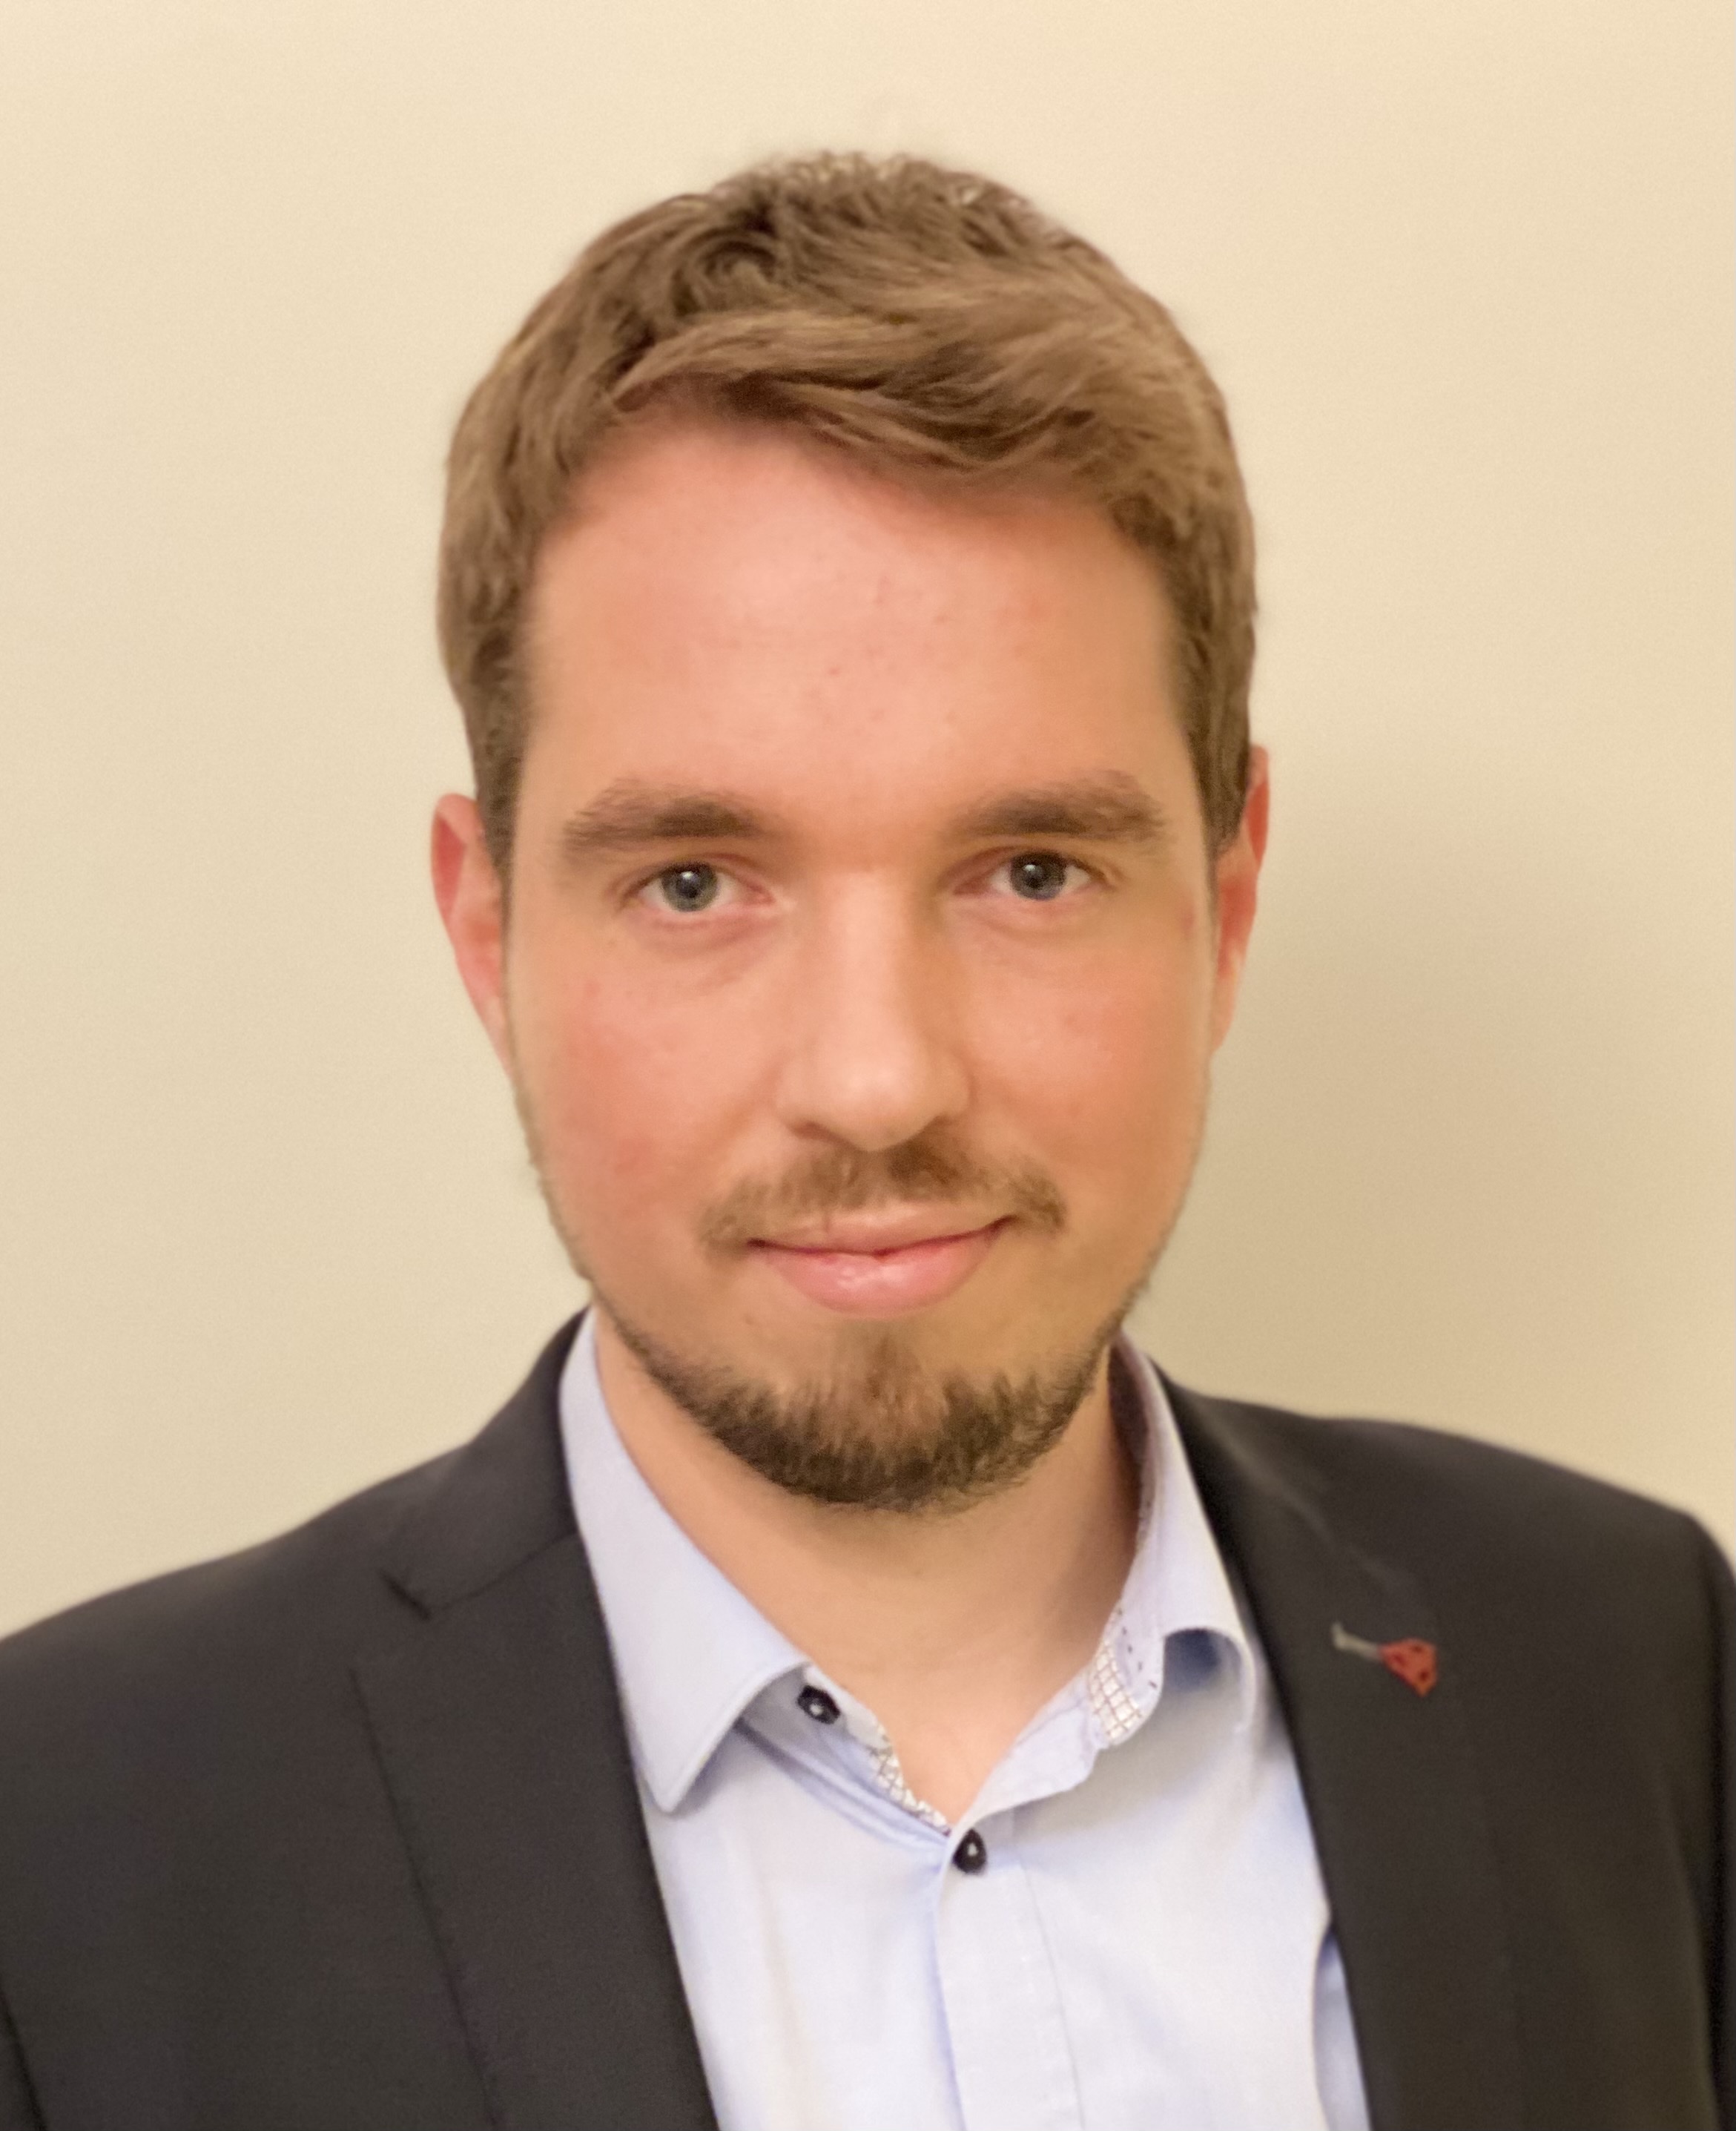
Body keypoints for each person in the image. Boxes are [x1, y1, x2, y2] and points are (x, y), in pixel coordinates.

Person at [0, 153, 1726, 2131]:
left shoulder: (1635, 1662)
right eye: (694, 883)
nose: (880, 1079)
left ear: (1227, 902)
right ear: (487, 933)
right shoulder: (61, 1851)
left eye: (1031, 869)